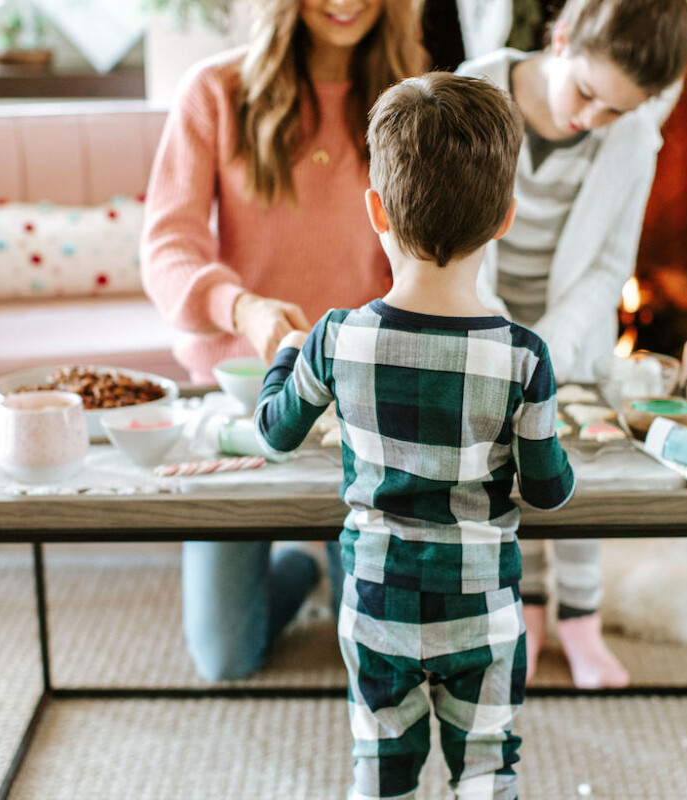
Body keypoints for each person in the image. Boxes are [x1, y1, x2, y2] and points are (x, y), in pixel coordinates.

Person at [243, 73, 575, 800]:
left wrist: (283, 353)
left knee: (382, 769)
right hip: (480, 610)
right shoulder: (524, 356)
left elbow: (273, 434)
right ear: (505, 219)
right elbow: (549, 493)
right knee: (488, 767)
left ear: (375, 212)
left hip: (376, 604)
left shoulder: (335, 339)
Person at [140, 0, 427, 682]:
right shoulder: (214, 91)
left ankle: (332, 558)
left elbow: (422, 257)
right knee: (225, 657)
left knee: (379, 652)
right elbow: (167, 247)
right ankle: (299, 565)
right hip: (240, 393)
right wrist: (244, 309)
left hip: (363, 403)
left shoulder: (413, 99)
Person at [458, 0, 687, 688]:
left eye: (615, 111)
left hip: (573, 334)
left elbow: (608, 266)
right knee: (506, 468)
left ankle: (580, 621)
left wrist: (547, 344)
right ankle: (527, 610)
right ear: (560, 39)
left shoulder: (632, 139)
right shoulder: (474, 91)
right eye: (587, 94)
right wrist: (503, 335)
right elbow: (452, 228)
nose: (591, 119)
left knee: (574, 467)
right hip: (484, 314)